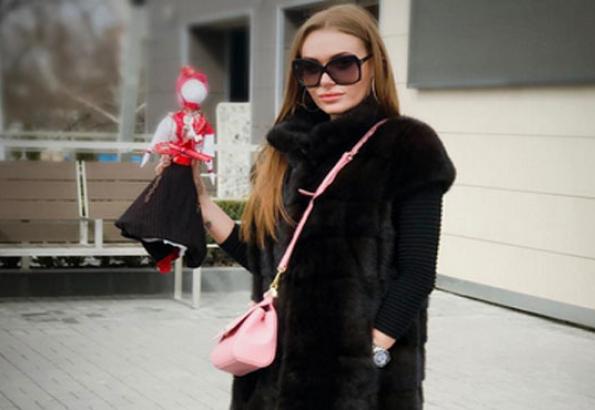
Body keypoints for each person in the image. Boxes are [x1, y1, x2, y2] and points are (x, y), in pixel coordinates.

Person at [162, 4, 455, 409]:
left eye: (343, 65)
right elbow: (267, 261)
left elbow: (417, 273)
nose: (326, 81)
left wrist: (368, 353)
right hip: (273, 376)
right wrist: (203, 205)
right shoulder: (286, 150)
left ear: (374, 65)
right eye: (310, 69)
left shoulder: (407, 146)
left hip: (358, 387)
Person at [115, 66, 215, 273]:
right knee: (138, 218)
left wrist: (209, 166)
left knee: (184, 218)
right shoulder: (174, 119)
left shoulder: (203, 124)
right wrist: (151, 153)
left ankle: (172, 252)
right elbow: (158, 140)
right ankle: (164, 253)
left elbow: (208, 150)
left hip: (188, 175)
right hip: (172, 172)